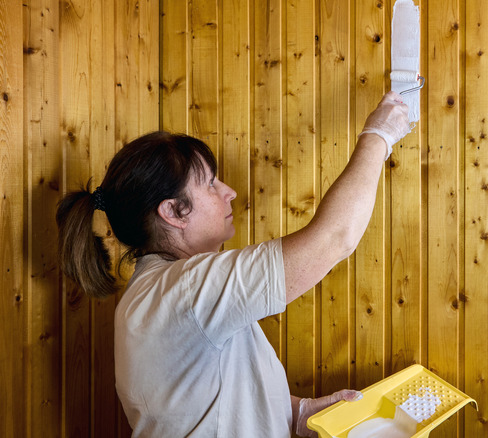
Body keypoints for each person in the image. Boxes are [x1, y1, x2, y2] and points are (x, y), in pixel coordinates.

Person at [56, 92, 411, 437]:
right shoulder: (186, 290)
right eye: (210, 183)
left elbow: (208, 394)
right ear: (173, 211)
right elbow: (334, 239)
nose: (229, 192)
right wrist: (378, 136)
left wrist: (297, 413)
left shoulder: (170, 288)